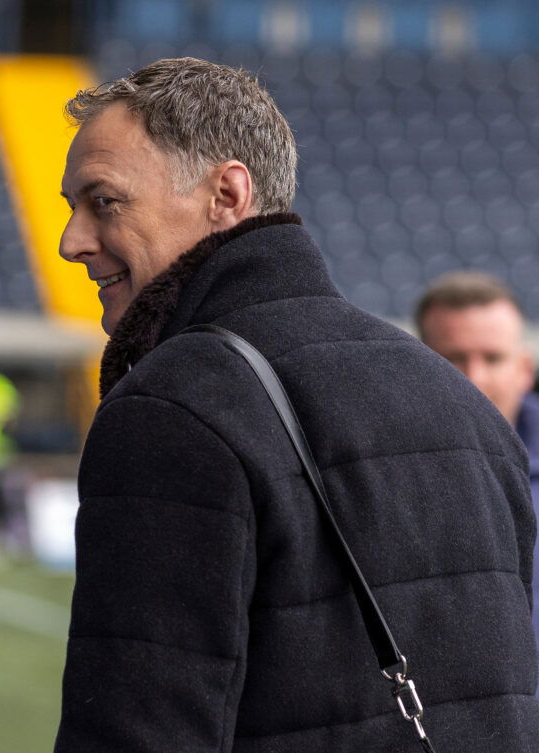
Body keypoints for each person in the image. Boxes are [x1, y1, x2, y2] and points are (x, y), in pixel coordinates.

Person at [54, 58, 539, 752]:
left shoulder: (174, 405)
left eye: (104, 202)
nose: (72, 241)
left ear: (226, 193)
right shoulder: (466, 407)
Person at [416, 271, 539, 654]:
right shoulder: (379, 474)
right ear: (412, 366)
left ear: (524, 370)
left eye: (492, 357)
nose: (474, 377)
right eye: (452, 358)